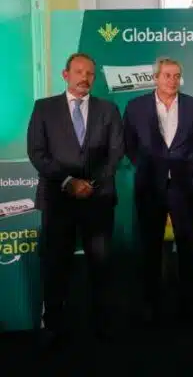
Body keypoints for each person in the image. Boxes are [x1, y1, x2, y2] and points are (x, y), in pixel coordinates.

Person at [26, 52, 124, 344]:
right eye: (79, 72)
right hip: (58, 200)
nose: (85, 78)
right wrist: (68, 182)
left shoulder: (108, 109)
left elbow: (116, 152)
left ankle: (102, 324)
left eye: (90, 73)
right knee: (56, 264)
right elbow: (37, 152)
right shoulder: (44, 108)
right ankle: (53, 324)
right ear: (65, 74)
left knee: (101, 266)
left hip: (98, 198)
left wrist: (90, 184)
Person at [123, 57, 193, 323]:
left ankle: (189, 303)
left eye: (176, 76)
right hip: (150, 185)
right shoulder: (135, 106)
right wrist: (148, 166)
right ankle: (150, 302)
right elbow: (129, 144)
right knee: (149, 246)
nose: (172, 80)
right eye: (167, 75)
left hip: (184, 185)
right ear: (156, 78)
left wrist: (184, 163)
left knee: (186, 245)